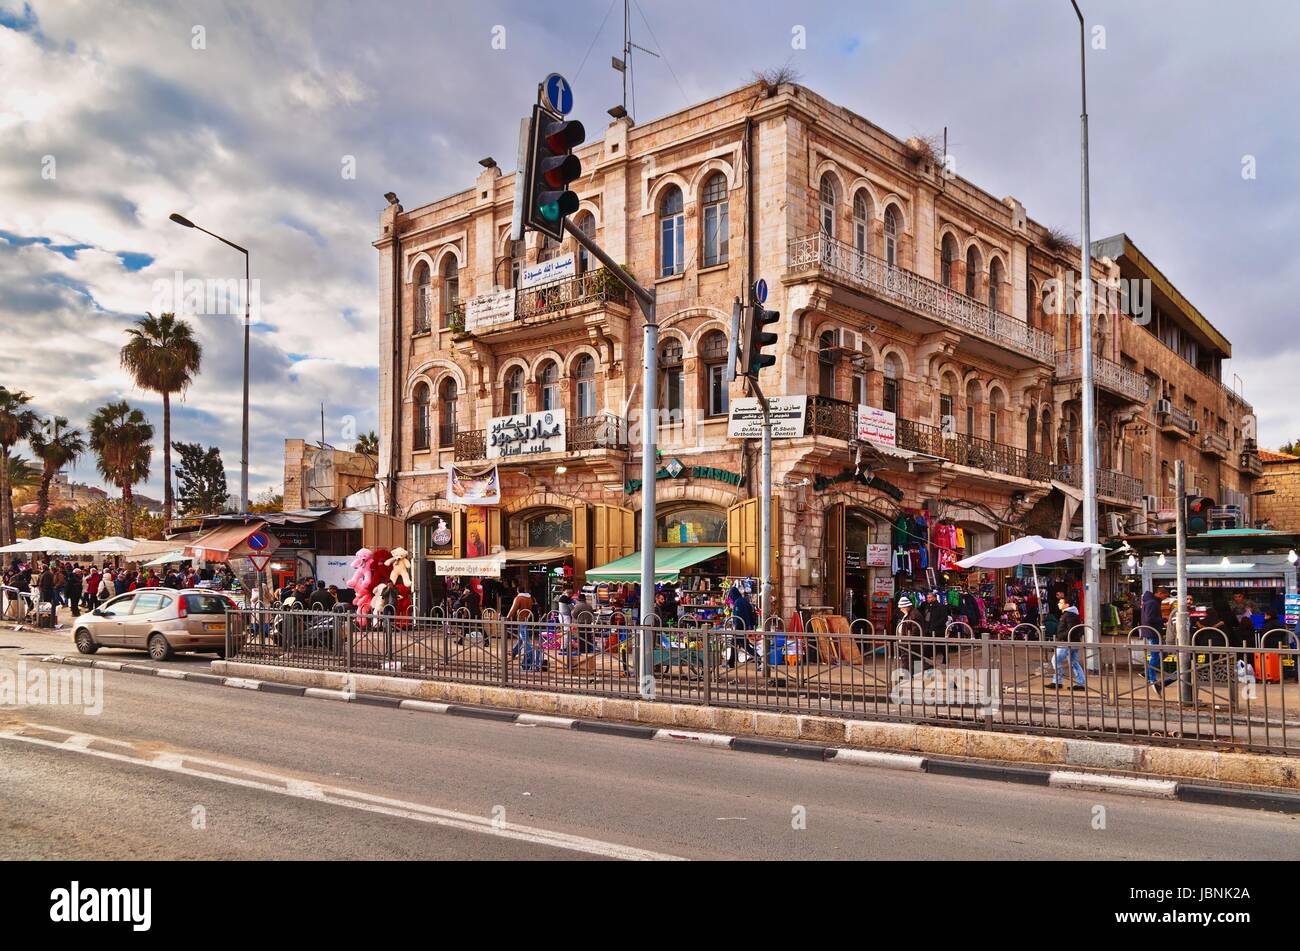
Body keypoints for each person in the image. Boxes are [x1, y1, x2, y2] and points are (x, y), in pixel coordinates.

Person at [1049, 599, 1086, 690]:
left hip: (1067, 642)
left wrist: (1061, 636)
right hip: (1072, 641)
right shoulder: (1070, 614)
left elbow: (1071, 629)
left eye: (1061, 603)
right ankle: (1080, 683)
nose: (1058, 604)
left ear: (1067, 604)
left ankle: (1057, 681)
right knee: (1073, 662)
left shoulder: (1069, 615)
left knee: (1056, 660)